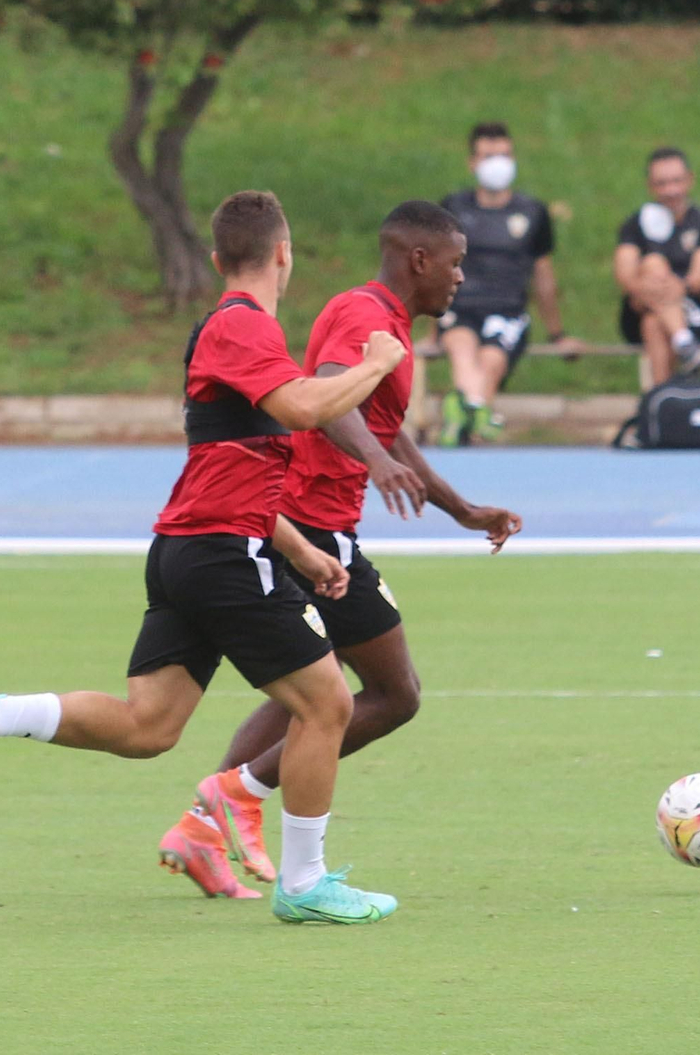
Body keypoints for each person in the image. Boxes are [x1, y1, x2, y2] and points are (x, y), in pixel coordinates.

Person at [0, 190, 409, 925]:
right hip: (223, 556)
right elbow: (303, 410)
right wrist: (377, 363)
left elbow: (237, 464)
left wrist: (298, 548)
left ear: (213, 258)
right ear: (285, 254)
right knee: (327, 704)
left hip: (194, 549)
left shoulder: (245, 336)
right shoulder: (242, 326)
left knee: (149, 727)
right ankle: (305, 884)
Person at [157, 200, 524, 897]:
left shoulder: (389, 323)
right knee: (391, 692)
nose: (460, 277)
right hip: (311, 522)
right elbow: (332, 396)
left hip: (317, 519)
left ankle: (206, 820)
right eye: (454, 262)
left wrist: (461, 509)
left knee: (311, 684)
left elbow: (382, 426)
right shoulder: (364, 316)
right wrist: (378, 467)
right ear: (420, 259)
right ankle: (238, 797)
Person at [437, 121, 582, 445]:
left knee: (490, 362)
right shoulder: (454, 208)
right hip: (460, 306)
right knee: (461, 347)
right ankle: (475, 415)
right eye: (489, 156)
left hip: (508, 311)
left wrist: (556, 334)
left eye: (504, 155)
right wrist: (430, 330)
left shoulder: (532, 212)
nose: (498, 164)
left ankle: (462, 410)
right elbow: (435, 268)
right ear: (472, 163)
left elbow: (544, 275)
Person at [612, 147, 700, 385]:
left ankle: (662, 398)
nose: (670, 190)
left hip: (692, 311)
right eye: (662, 183)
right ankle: (685, 343)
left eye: (676, 181)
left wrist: (674, 291)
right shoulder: (636, 224)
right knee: (653, 263)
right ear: (650, 186)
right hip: (638, 308)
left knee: (654, 322)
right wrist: (652, 290)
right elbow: (625, 275)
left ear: (689, 181)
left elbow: (698, 279)